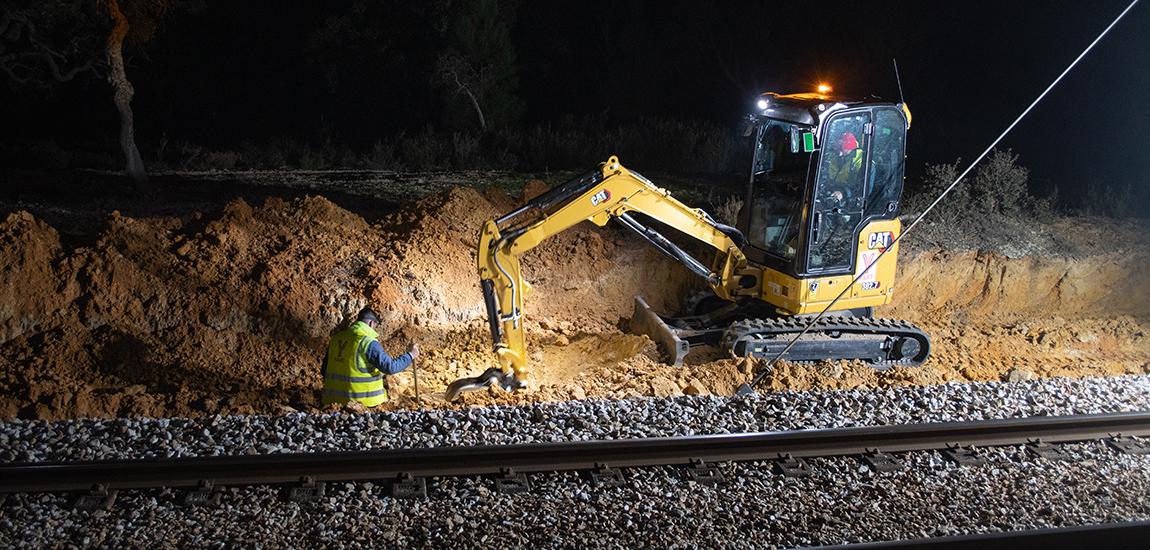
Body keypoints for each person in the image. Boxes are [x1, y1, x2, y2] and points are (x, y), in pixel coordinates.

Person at [321, 308, 419, 407]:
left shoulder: (336, 339)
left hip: (332, 403)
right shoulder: (367, 342)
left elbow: (324, 369)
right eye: (375, 326)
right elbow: (391, 367)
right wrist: (411, 354)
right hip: (361, 404)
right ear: (371, 323)